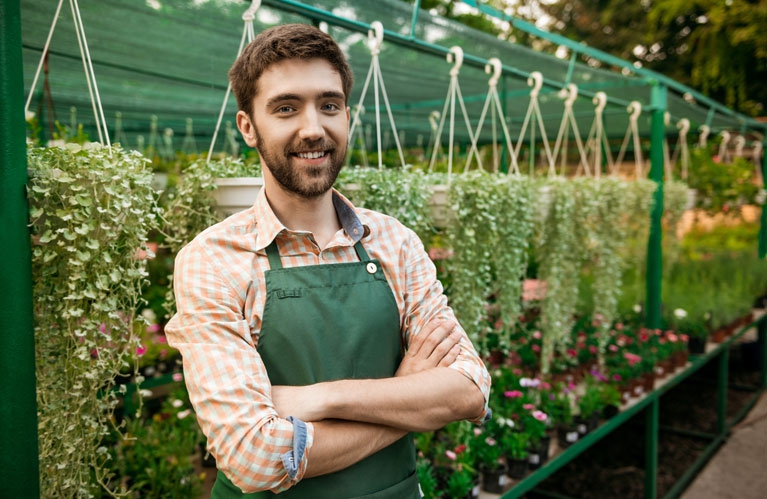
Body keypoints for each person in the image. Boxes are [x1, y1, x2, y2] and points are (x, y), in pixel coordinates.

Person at [164, 23, 491, 499]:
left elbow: (470, 388)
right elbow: (254, 459)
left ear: (347, 115)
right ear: (248, 127)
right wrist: (407, 398)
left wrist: (319, 399)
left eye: (329, 105)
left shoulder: (394, 242)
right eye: (286, 108)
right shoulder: (214, 260)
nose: (314, 128)